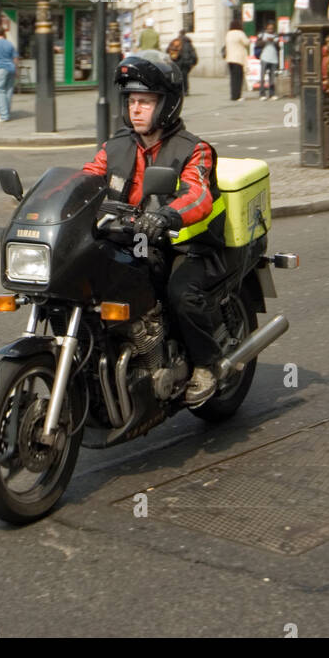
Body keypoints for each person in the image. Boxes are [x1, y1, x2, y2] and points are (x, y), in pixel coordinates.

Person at [81, 51, 227, 407]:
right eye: (132, 101)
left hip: (184, 245)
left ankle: (208, 366)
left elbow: (198, 195)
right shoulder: (114, 147)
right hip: (131, 239)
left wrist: (166, 217)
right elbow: (85, 181)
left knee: (181, 293)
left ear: (168, 104)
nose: (136, 109)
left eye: (146, 102)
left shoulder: (193, 150)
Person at [224, 17, 249, 101]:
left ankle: (233, 95)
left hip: (229, 59)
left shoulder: (228, 33)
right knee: (238, 78)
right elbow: (246, 42)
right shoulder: (240, 33)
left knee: (233, 78)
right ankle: (237, 95)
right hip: (238, 59)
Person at [167, 29, 198, 93]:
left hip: (177, 61)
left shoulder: (175, 42)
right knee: (185, 76)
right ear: (185, 34)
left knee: (177, 76)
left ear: (179, 34)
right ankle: (185, 90)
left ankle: (178, 90)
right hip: (186, 62)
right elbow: (193, 54)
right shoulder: (188, 43)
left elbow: (168, 50)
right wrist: (194, 62)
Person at [256, 23, 279, 100]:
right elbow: (257, 44)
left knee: (272, 77)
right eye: (269, 28)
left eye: (272, 28)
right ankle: (262, 94)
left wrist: (275, 41)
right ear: (266, 29)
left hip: (274, 58)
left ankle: (272, 93)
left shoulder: (276, 35)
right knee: (262, 77)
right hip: (264, 58)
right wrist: (265, 41)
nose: (270, 30)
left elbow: (278, 46)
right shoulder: (262, 35)